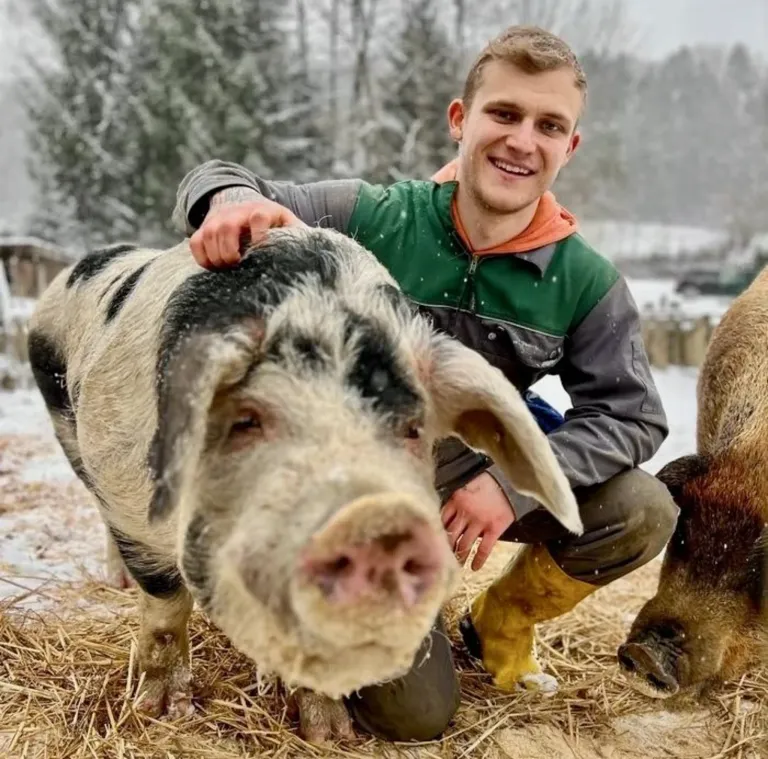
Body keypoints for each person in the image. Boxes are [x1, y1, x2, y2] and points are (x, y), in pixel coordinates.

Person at [171, 25, 678, 741]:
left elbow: (632, 416)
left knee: (642, 507)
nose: (521, 141)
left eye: (549, 125)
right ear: (460, 120)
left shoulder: (586, 282)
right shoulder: (372, 217)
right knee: (417, 718)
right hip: (358, 476)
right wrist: (228, 203)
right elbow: (222, 174)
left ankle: (497, 622)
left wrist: (509, 481)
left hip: (472, 462)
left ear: (570, 146)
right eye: (503, 114)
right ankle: (362, 593)